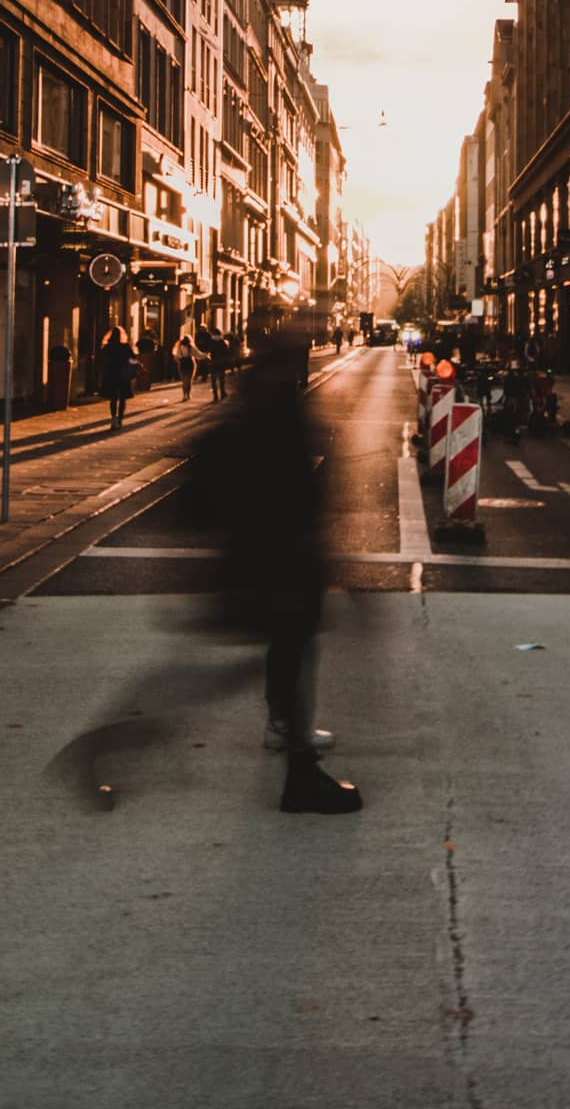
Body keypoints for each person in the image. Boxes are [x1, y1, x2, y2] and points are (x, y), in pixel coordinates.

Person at [182, 334, 361, 814]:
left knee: (286, 652)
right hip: (283, 566)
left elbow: (198, 504)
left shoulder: (248, 417)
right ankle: (299, 770)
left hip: (258, 563)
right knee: (292, 654)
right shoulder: (282, 420)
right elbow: (300, 497)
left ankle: (286, 732)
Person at [100, 325, 137, 429]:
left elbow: (103, 361)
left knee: (113, 398)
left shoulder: (107, 347)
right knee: (122, 398)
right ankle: (120, 419)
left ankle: (113, 419)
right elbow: (134, 358)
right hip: (123, 375)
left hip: (111, 374)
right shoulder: (125, 346)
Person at [207, 324, 230, 401]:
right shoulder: (223, 342)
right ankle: (223, 393)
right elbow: (227, 353)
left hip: (213, 362)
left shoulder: (210, 342)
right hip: (221, 362)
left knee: (213, 380)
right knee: (221, 379)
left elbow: (209, 351)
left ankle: (215, 395)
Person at [174, 332, 199, 401]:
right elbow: (198, 354)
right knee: (189, 380)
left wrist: (179, 362)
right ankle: (188, 394)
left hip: (182, 364)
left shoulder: (179, 347)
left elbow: (176, 357)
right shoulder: (191, 347)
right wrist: (206, 355)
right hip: (190, 363)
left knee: (184, 381)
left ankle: (184, 395)